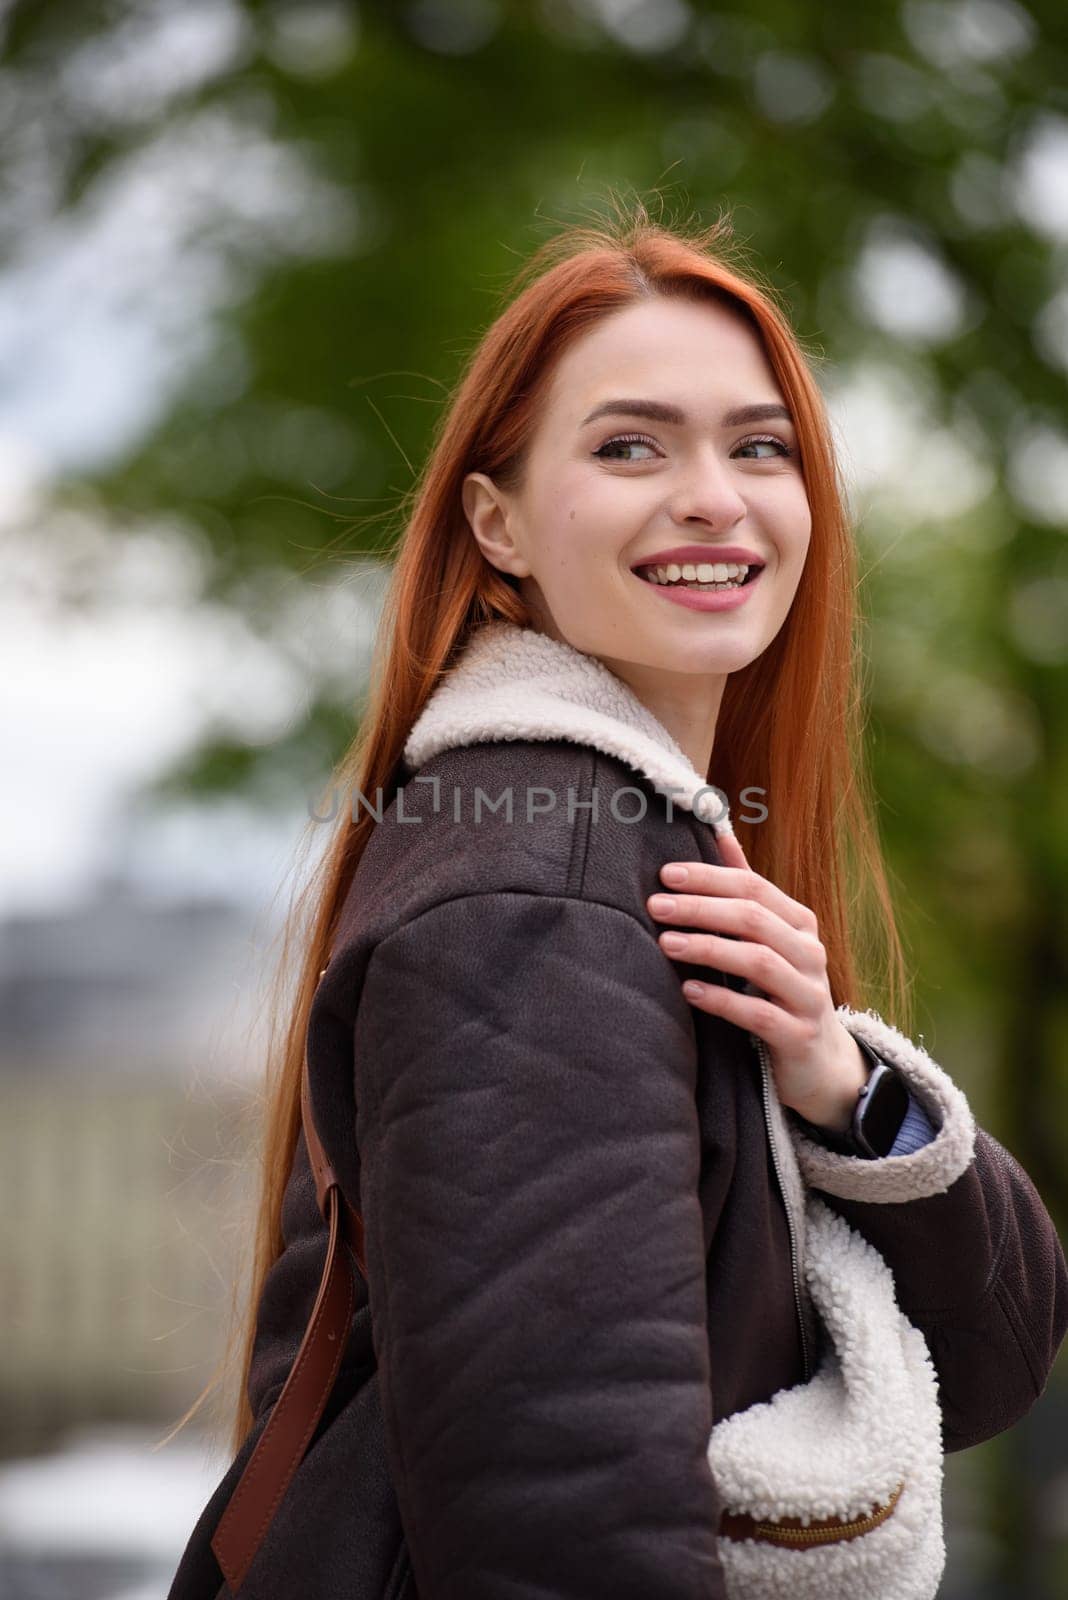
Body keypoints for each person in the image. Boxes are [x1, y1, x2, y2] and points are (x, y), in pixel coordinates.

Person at [167, 206, 1068, 1600]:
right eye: (629, 445)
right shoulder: (542, 903)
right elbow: (561, 1522)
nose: (714, 495)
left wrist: (840, 1083)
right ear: (498, 520)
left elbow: (1000, 1353)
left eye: (759, 446)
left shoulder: (647, 872)